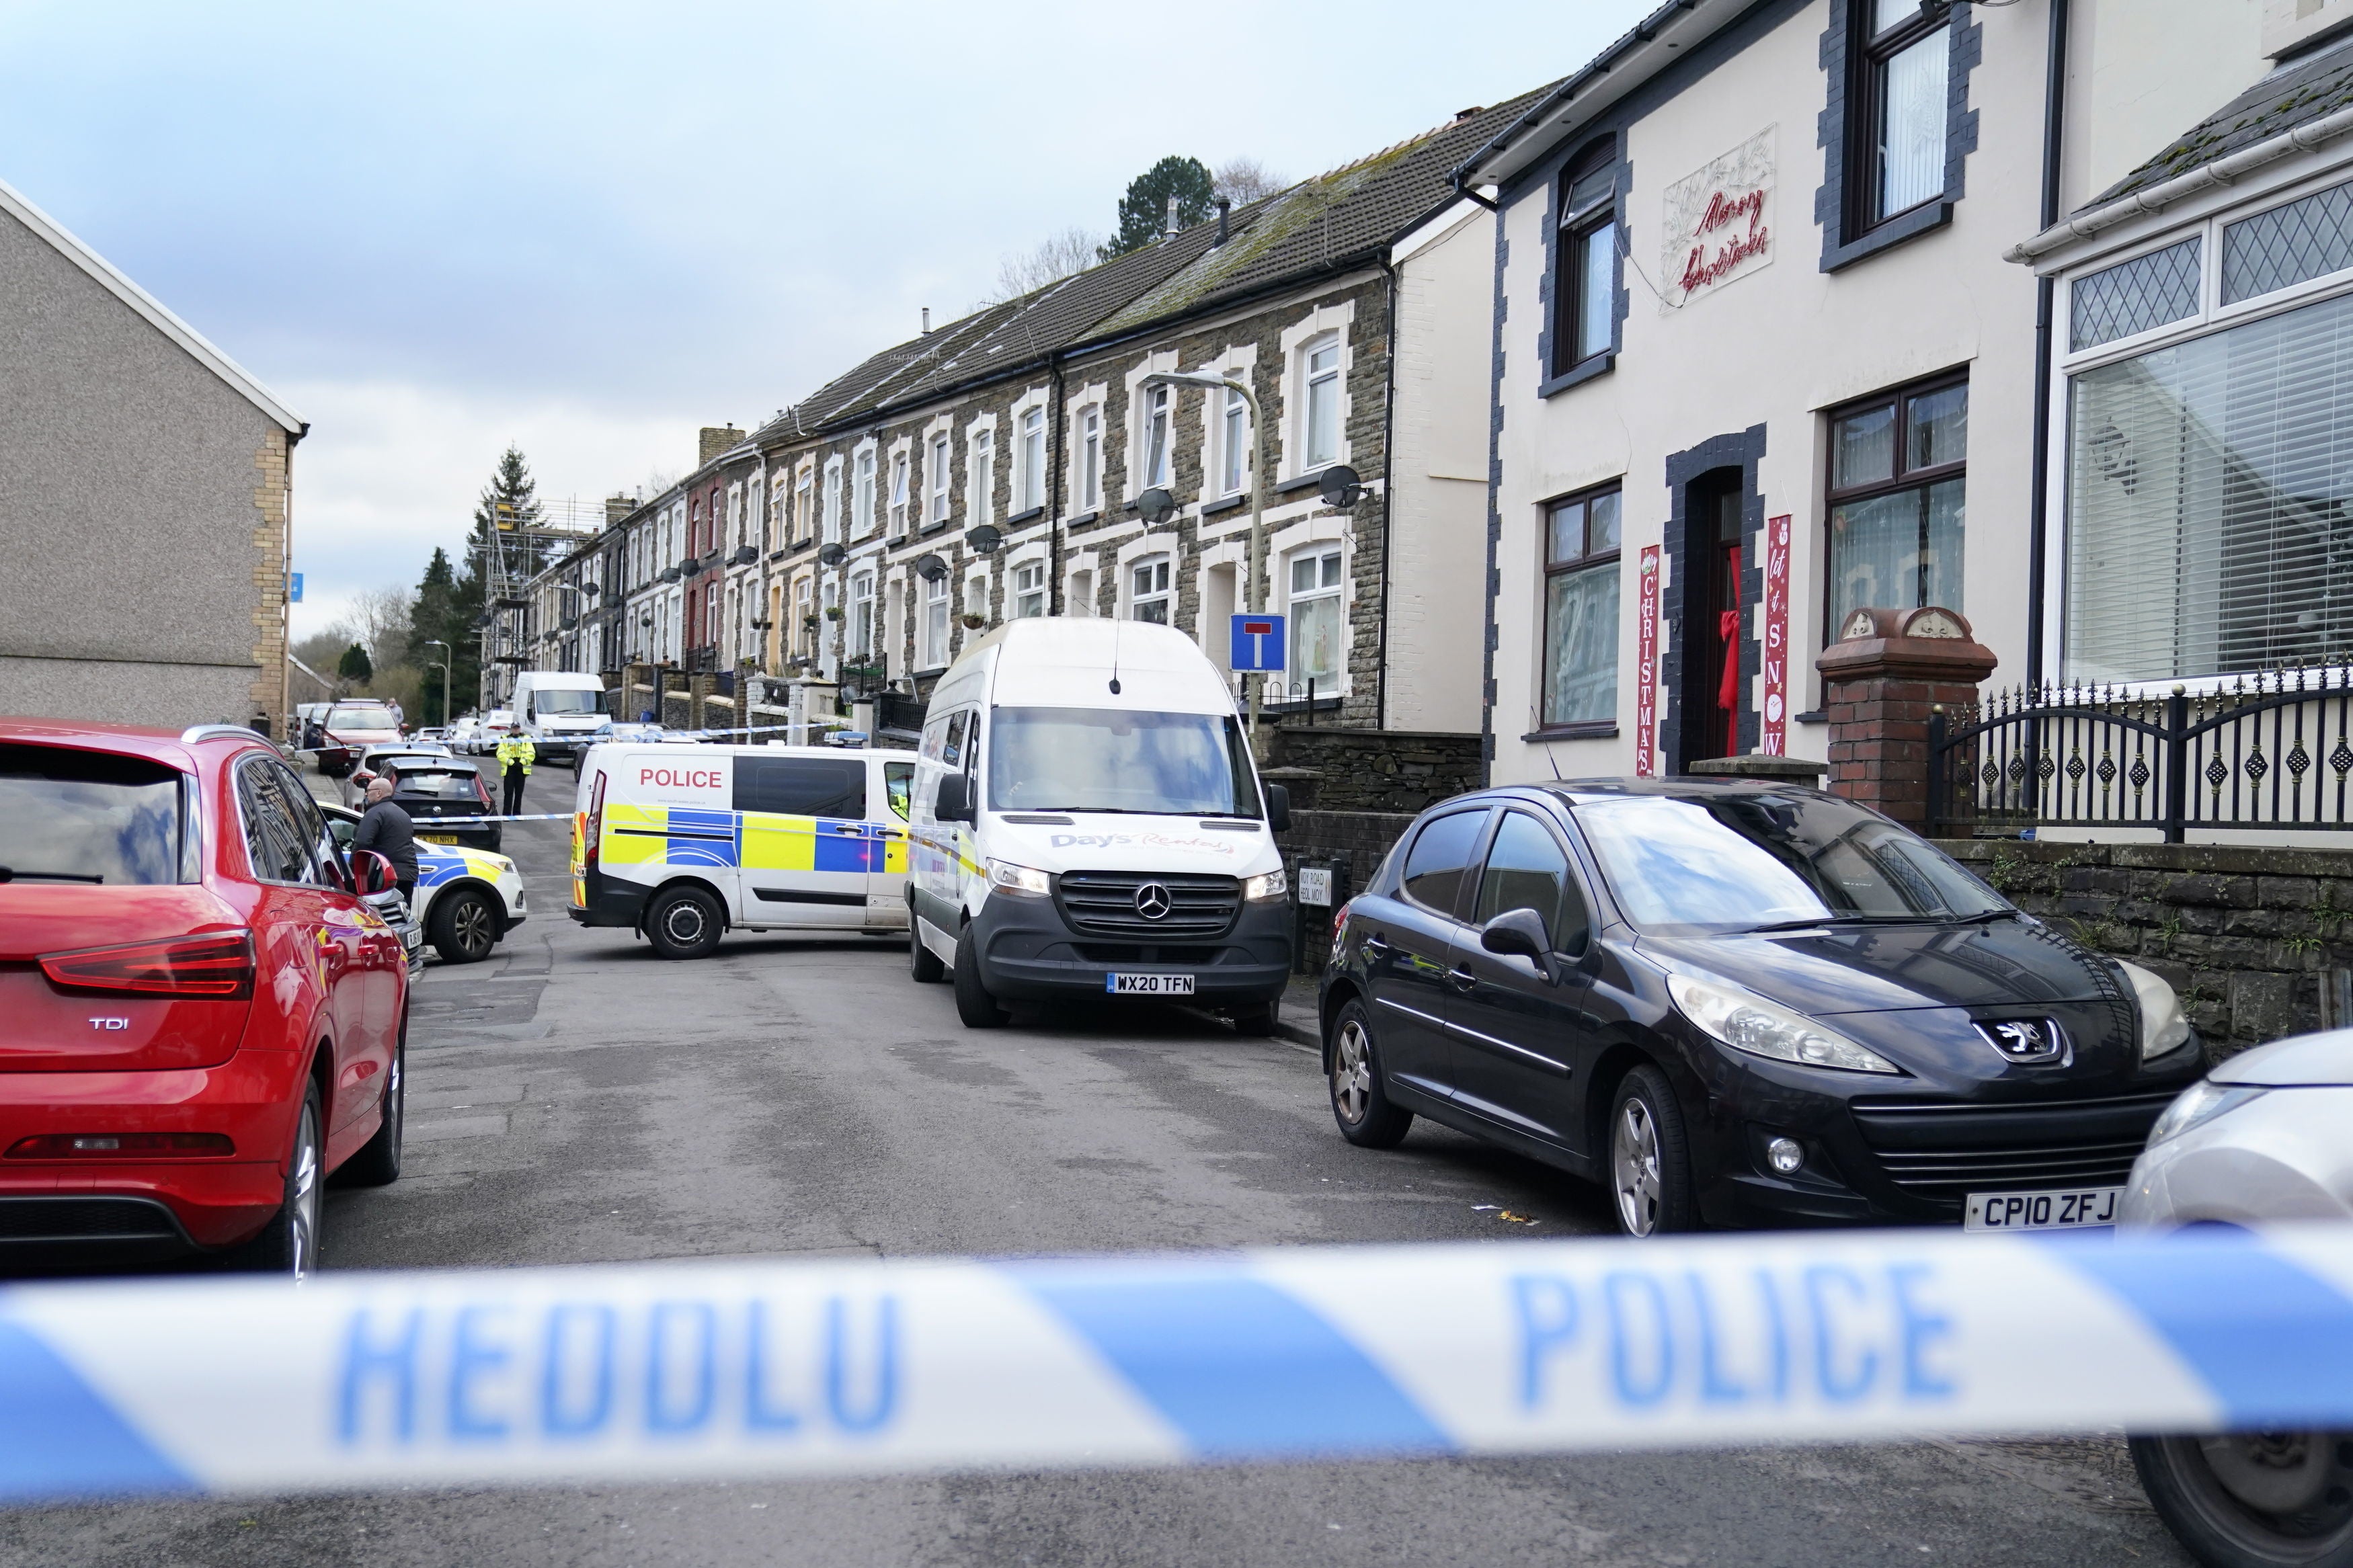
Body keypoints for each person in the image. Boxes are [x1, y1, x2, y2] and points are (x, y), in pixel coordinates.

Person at [351, 776, 418, 907]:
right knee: (401, 914)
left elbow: (362, 843)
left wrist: (353, 868)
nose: (366, 794)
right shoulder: (403, 814)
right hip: (407, 875)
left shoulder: (374, 813)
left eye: (369, 791)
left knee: (382, 916)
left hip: (386, 876)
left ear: (379, 793)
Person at [495, 725, 535, 817]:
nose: (516, 730)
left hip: (521, 768)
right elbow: (500, 753)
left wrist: (522, 762)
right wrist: (511, 762)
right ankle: (507, 814)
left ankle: (517, 813)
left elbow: (531, 753)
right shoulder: (505, 739)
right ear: (511, 729)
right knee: (508, 792)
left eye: (517, 728)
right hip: (510, 768)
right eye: (514, 728)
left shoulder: (526, 738)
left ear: (520, 729)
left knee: (519, 792)